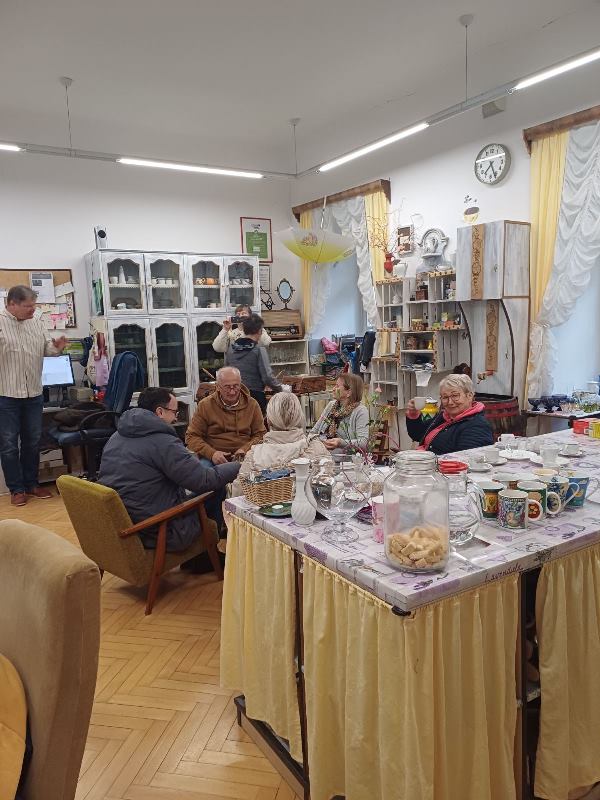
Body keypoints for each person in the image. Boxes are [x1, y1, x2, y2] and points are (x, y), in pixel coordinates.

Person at [98, 387, 240, 552]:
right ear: (160, 412)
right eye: (174, 412)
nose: (176, 418)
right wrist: (239, 466)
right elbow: (203, 480)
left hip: (125, 523)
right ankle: (206, 556)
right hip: (158, 529)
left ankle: (204, 555)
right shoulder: (162, 441)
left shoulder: (117, 435)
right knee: (216, 488)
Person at [0, 285, 68, 506]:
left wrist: (56, 348)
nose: (33, 310)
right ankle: (16, 489)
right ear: (12, 304)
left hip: (34, 393)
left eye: (34, 305)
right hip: (6, 394)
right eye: (28, 306)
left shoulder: (37, 321)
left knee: (33, 441)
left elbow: (46, 349)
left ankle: (31, 484)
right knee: (9, 444)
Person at [232, 393, 330, 496]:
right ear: (300, 417)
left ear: (268, 420)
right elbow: (332, 488)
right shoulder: (316, 448)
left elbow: (238, 494)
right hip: (310, 505)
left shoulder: (255, 455)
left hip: (265, 505)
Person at [186, 366, 265, 465]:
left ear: (240, 384)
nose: (232, 392)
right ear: (218, 387)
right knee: (202, 471)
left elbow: (261, 434)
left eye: (236, 386)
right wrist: (212, 454)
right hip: (212, 458)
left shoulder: (252, 404)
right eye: (227, 387)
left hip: (245, 456)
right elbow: (191, 437)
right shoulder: (205, 405)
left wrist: (245, 449)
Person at [405, 374, 494, 454]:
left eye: (455, 396)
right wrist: (413, 415)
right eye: (445, 397)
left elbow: (467, 460)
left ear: (469, 396)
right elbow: (417, 435)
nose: (450, 402)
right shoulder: (445, 416)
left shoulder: (477, 425)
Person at [224, 313, 282, 413]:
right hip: (255, 397)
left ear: (244, 329)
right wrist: (280, 389)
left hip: (234, 397)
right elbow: (267, 377)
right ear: (259, 331)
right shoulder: (258, 350)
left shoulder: (230, 349)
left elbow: (226, 372)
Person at [310, 373, 369, 452]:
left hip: (345, 457)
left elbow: (363, 443)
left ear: (349, 392)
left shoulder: (360, 411)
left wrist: (340, 443)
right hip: (321, 453)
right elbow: (314, 431)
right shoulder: (331, 405)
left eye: (337, 386)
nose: (333, 389)